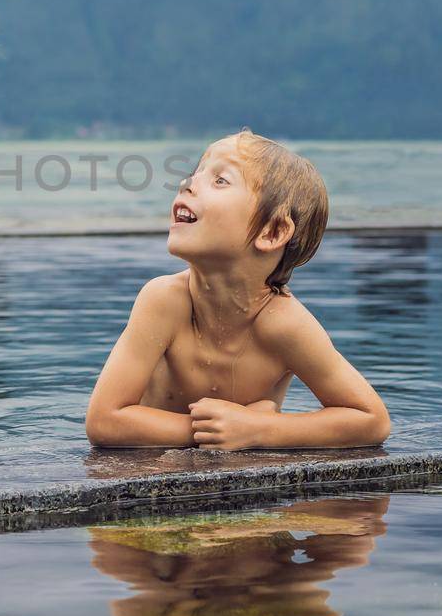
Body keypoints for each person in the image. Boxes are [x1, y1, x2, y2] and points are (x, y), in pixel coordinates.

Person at [85, 129, 390, 450]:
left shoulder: (283, 324)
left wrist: (261, 429)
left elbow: (371, 419)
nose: (186, 183)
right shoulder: (164, 301)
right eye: (195, 173)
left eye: (220, 180)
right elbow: (104, 421)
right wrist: (220, 430)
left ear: (272, 232)